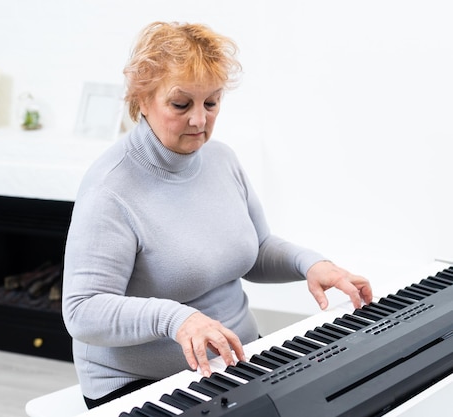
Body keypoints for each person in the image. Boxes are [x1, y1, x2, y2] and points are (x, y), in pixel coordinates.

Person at [61, 21, 373, 409]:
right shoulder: (109, 190)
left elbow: (254, 250)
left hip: (234, 359)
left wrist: (310, 265)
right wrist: (176, 319)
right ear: (142, 100)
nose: (199, 120)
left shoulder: (221, 159)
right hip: (143, 384)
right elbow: (82, 310)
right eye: (181, 104)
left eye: (211, 103)